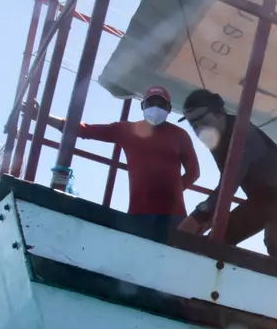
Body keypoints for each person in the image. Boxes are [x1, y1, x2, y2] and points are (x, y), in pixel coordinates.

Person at [44, 86, 198, 238]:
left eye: (161, 104)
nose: (156, 108)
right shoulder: (126, 130)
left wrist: (172, 192)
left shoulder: (180, 135)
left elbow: (194, 172)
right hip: (139, 213)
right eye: (151, 103)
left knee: (172, 250)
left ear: (169, 108)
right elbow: (85, 130)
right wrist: (43, 116)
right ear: (142, 106)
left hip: (174, 216)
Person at [176, 89, 277, 263]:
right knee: (219, 238)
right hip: (263, 200)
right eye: (193, 125)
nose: (200, 129)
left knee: (274, 236)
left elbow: (229, 183)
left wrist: (198, 216)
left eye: (203, 121)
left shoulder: (241, 134)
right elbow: (225, 185)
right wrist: (207, 218)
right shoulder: (215, 138)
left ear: (220, 113)